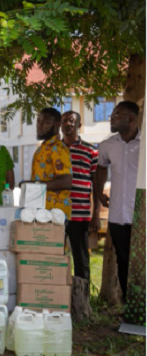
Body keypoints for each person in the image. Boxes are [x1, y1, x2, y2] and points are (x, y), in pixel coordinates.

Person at [95, 101, 141, 302]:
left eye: (117, 114)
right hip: (118, 215)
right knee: (123, 261)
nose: (111, 118)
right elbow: (101, 168)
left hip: (143, 214)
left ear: (130, 118)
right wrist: (99, 192)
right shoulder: (107, 145)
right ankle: (129, 308)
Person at [61, 111, 100, 282]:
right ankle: (57, 298)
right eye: (64, 121)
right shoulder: (52, 150)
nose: (67, 124)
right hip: (56, 214)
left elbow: (96, 183)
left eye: (71, 121)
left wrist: (96, 214)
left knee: (81, 260)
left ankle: (83, 303)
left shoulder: (90, 150)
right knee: (54, 258)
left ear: (79, 126)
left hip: (80, 215)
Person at [23, 108, 72, 217]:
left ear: (57, 124)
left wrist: (34, 185)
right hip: (42, 211)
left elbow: (66, 182)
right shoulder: (43, 147)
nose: (40, 126)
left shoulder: (58, 148)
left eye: (46, 122)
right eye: (38, 122)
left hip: (55, 213)